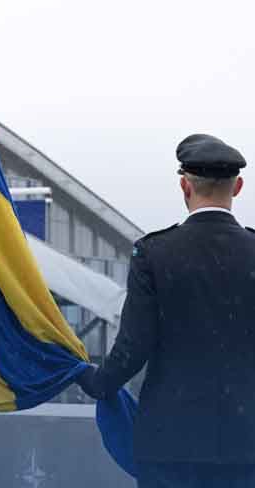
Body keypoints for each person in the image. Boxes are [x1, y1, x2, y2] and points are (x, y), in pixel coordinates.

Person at [77, 133, 255, 487]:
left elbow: (134, 345)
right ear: (237, 187)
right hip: (246, 443)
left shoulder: (155, 253)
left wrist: (96, 381)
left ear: (185, 187)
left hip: (170, 442)